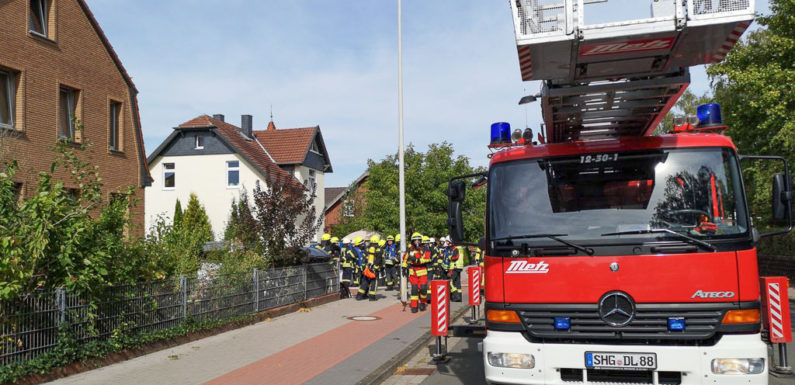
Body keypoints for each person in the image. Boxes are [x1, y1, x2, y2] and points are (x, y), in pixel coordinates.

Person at [401, 233, 431, 313]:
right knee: (414, 290)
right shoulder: (410, 249)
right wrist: (404, 267)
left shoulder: (425, 249)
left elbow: (427, 259)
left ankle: (423, 303)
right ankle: (414, 306)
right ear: (412, 241)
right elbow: (405, 259)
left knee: (423, 289)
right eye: (415, 240)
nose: (417, 241)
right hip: (413, 272)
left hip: (422, 272)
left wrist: (418, 260)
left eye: (418, 240)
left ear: (421, 241)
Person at [357, 235, 383, 301]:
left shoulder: (367, 248)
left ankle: (359, 296)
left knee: (365, 281)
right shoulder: (379, 249)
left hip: (367, 268)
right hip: (374, 269)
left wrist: (364, 267)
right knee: (374, 282)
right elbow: (379, 260)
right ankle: (372, 297)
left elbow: (364, 258)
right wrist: (378, 267)